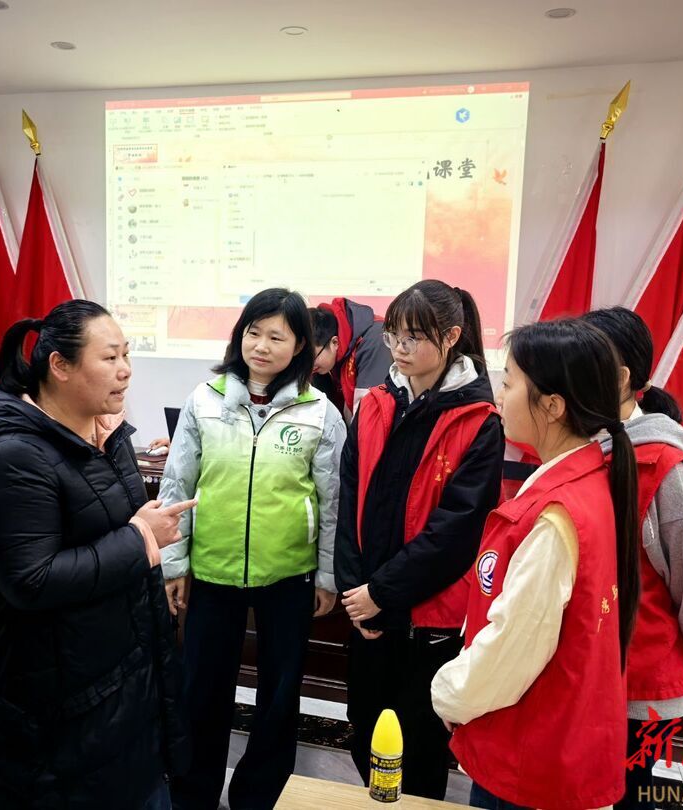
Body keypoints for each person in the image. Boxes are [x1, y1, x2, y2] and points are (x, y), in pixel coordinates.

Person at [0, 300, 195, 809]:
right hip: (53, 715)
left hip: (114, 688)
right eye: (109, 358)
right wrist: (141, 538)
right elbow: (32, 580)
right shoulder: (13, 457)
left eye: (127, 355)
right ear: (60, 366)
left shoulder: (100, 435)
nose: (125, 370)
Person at [431, 318, 640, 810]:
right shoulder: (584, 480)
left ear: (552, 405)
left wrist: (452, 694)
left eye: (508, 383)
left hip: (531, 756)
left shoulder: (557, 512)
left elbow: (515, 646)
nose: (498, 397)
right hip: (553, 743)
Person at [158, 288, 346, 810]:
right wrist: (173, 563)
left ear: (300, 345)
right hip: (212, 569)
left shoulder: (320, 412)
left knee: (279, 694)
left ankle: (259, 796)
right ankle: (193, 795)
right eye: (253, 332)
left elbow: (332, 501)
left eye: (276, 336)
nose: (261, 346)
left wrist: (327, 575)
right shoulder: (204, 399)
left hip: (289, 574)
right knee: (202, 691)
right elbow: (177, 485)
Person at [334, 279, 504, 800]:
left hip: (427, 618)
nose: (400, 349)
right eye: (393, 337)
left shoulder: (478, 419)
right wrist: (356, 593)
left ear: (451, 336)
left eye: (414, 338)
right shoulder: (377, 403)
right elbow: (348, 499)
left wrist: (381, 594)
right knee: (366, 731)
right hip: (367, 608)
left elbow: (456, 531)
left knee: (420, 747)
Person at [581, 307, 683, 810]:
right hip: (581, 671)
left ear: (621, 378)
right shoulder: (578, 449)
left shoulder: (669, 470)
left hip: (639, 684)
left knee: (629, 796)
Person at [310, 297, 392, 415]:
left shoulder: (374, 341)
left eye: (312, 358)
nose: (309, 366)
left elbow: (370, 414)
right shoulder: (337, 341)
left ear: (335, 342)